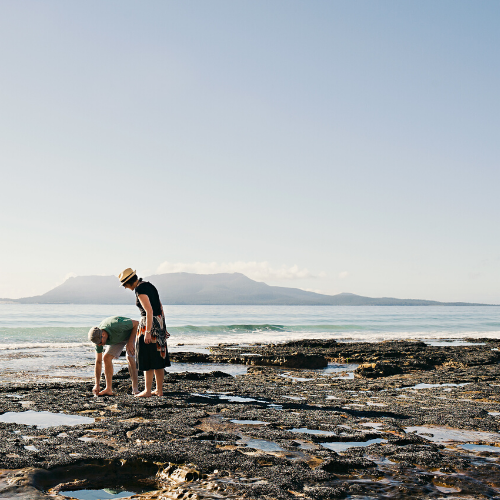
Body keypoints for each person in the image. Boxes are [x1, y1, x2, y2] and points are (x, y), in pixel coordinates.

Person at [118, 268, 170, 397]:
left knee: (147, 358)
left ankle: (147, 391)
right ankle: (159, 390)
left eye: (124, 285)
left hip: (148, 324)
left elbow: (149, 311)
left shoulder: (139, 289)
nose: (125, 288)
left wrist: (147, 331)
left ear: (129, 282)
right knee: (158, 358)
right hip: (159, 322)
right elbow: (160, 307)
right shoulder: (149, 285)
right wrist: (163, 327)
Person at [88, 316, 139, 396]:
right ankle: (108, 389)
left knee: (130, 356)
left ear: (103, 334)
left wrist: (130, 342)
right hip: (118, 338)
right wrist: (97, 384)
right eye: (97, 343)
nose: (99, 345)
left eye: (100, 342)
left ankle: (135, 389)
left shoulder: (116, 325)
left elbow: (136, 323)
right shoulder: (98, 338)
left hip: (132, 332)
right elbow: (98, 361)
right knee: (106, 357)